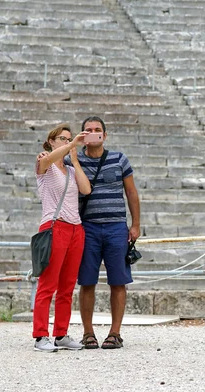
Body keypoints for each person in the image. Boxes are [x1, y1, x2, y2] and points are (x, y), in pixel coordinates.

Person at [66, 116, 141, 350]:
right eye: (88, 130)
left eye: (98, 130)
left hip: (116, 226)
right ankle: (88, 333)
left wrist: (135, 224)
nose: (93, 133)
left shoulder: (119, 159)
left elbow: (131, 192)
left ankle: (115, 333)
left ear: (105, 135)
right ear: (82, 135)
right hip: (86, 226)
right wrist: (72, 149)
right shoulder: (72, 160)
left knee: (118, 281)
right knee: (86, 281)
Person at [33, 124, 91, 352]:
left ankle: (61, 333)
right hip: (55, 226)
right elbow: (46, 162)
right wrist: (71, 144)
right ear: (52, 141)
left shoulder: (69, 169)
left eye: (69, 138)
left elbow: (86, 190)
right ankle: (40, 335)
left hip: (76, 229)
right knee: (48, 284)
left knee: (67, 286)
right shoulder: (44, 162)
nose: (68, 141)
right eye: (63, 138)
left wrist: (75, 160)